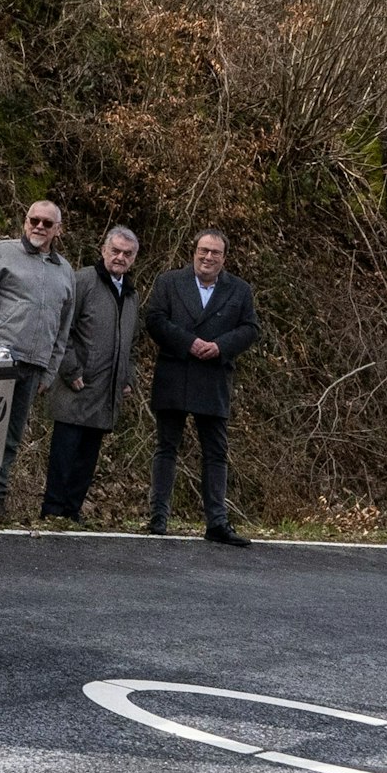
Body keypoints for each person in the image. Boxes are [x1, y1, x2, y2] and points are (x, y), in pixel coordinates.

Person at [0, 200, 75, 517]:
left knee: (11, 437)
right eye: (33, 219)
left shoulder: (65, 273)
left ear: (57, 230)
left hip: (34, 366)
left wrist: (49, 373)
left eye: (47, 223)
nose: (39, 226)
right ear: (25, 221)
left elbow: (63, 330)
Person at [142, 229, 261, 545]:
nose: (208, 257)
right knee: (167, 447)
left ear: (224, 257)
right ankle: (158, 519)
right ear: (193, 251)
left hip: (214, 377)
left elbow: (250, 328)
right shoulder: (169, 282)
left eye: (215, 253)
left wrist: (220, 346)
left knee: (216, 452)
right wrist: (188, 342)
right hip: (175, 371)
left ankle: (217, 522)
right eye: (203, 250)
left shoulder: (239, 290)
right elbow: (154, 319)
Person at [41, 225, 141, 522]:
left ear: (134, 258)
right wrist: (70, 369)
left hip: (106, 391)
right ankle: (52, 512)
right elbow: (62, 329)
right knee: (64, 454)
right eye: (116, 251)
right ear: (103, 250)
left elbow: (131, 343)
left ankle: (71, 512)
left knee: (87, 457)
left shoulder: (131, 294)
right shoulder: (83, 280)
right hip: (77, 386)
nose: (120, 257)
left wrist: (127, 377)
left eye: (127, 253)